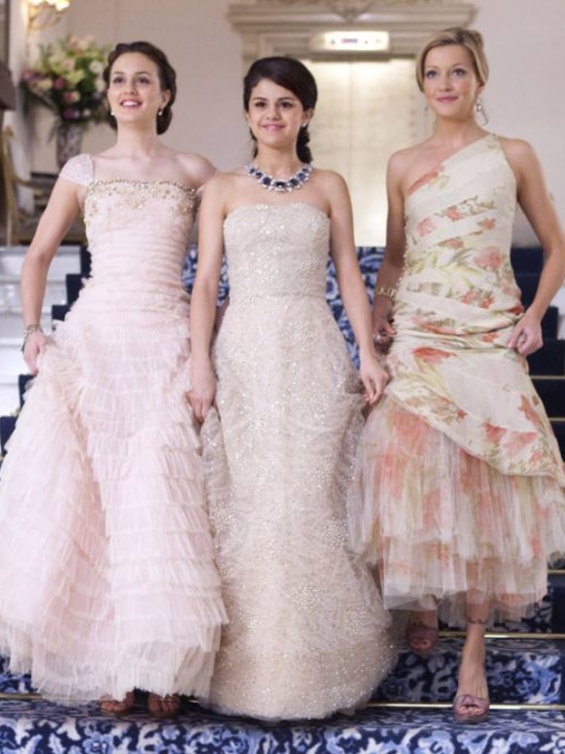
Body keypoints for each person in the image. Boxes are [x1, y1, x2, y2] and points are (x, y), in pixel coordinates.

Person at [0, 41, 227, 717]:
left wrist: (207, 344)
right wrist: (34, 329)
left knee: (157, 497)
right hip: (95, 342)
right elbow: (38, 255)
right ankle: (110, 663)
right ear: (108, 94)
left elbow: (217, 267)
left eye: (144, 80)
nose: (130, 89)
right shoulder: (83, 169)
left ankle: (162, 663)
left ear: (165, 94)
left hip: (166, 342)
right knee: (96, 505)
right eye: (120, 79)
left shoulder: (195, 170)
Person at [352, 27, 565, 724]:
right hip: (419, 329)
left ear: (479, 79)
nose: (444, 84)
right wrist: (379, 317)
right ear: (421, 85)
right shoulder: (401, 163)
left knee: (483, 483)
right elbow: (394, 257)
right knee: (406, 460)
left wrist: (535, 314)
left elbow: (555, 244)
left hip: (487, 331)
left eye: (456, 72)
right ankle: (420, 594)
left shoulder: (512, 155)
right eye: (433, 74)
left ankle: (472, 646)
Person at [188, 55, 397, 720]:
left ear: (305, 113)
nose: (272, 115)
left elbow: (348, 273)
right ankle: (252, 672)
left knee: (309, 503)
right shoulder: (221, 188)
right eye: (261, 104)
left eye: (285, 103)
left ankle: (320, 669)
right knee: (252, 507)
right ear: (246, 113)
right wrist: (200, 363)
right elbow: (204, 283)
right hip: (244, 354)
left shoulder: (329, 185)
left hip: (312, 350)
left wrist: (367, 353)